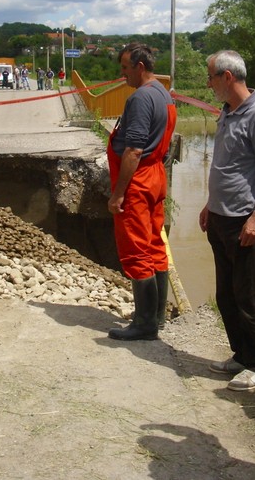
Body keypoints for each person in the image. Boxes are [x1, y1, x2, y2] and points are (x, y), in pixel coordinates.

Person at [199, 51, 255, 391]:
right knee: (226, 294)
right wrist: (209, 204)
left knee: (248, 295)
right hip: (219, 217)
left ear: (228, 77)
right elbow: (226, 166)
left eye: (211, 78)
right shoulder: (227, 111)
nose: (208, 84)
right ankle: (242, 355)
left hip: (243, 222)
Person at [107, 42, 177, 341]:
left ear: (139, 66)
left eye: (125, 68)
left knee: (136, 250)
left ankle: (144, 323)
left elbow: (134, 150)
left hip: (138, 180)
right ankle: (158, 317)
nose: (122, 74)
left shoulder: (140, 98)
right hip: (157, 176)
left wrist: (118, 193)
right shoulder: (164, 94)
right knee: (154, 245)